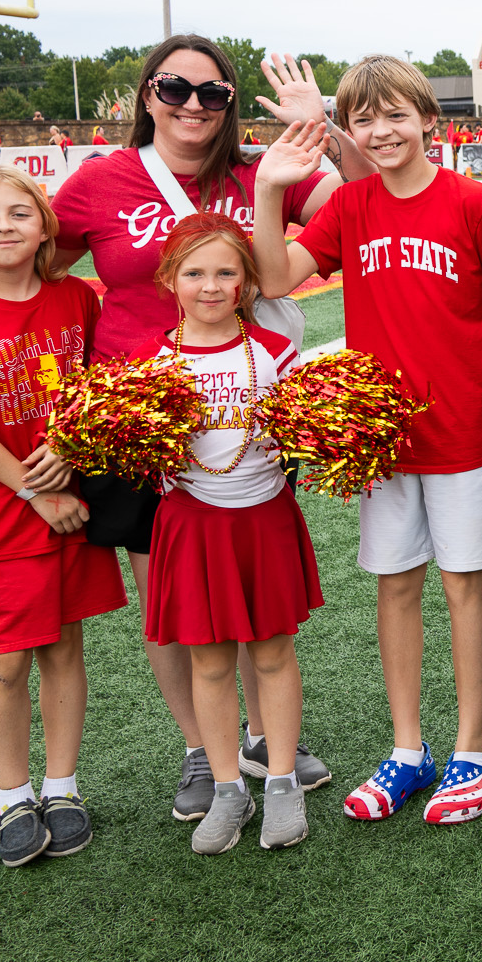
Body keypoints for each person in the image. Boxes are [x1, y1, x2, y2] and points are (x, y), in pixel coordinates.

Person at [0, 37, 357, 820]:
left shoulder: (260, 171)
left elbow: (362, 207)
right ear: (146, 93)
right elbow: (12, 249)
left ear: (230, 103)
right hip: (137, 419)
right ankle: (200, 749)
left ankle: (261, 738)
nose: (191, 105)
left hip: (241, 413)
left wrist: (325, 131)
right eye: (174, 87)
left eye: (212, 93)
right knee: (172, 595)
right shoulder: (99, 182)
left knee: (250, 589)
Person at [252, 56, 482, 830]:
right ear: (350, 128)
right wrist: (270, 189)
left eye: (396, 115)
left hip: (466, 430)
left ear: (428, 120)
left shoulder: (473, 202)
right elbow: (274, 277)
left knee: (461, 585)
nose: (381, 131)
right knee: (395, 585)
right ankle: (409, 749)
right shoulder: (349, 205)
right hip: (378, 438)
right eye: (365, 119)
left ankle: (472, 748)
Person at [0, 166, 116, 867]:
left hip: (69, 505)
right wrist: (34, 489)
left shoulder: (78, 297)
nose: (3, 225)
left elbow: (96, 391)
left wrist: (72, 456)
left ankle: (62, 786)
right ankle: (13, 793)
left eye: (18, 212)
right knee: (5, 664)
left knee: (65, 649)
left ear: (45, 225)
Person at [141, 214, 323, 854]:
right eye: (194, 273)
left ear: (248, 281)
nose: (211, 286)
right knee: (210, 662)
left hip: (263, 517)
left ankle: (280, 786)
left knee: (272, 652)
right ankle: (227, 790)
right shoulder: (152, 364)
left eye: (226, 272)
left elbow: (306, 424)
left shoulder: (275, 351)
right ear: (171, 279)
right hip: (193, 525)